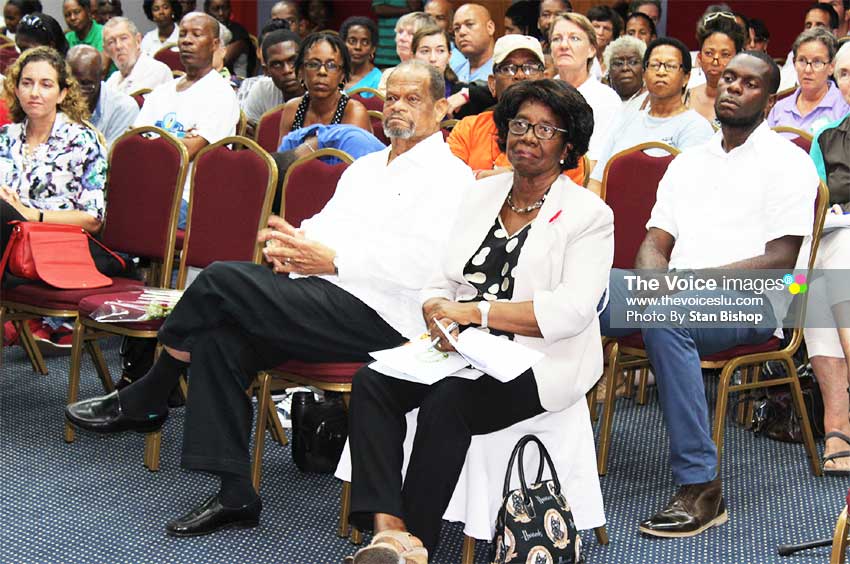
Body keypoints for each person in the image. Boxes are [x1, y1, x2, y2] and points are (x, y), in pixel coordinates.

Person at [65, 60, 474, 539]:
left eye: (413, 99)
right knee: (219, 338)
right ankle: (235, 491)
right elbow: (323, 230)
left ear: (441, 108)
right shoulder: (364, 169)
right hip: (326, 299)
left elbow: (428, 267)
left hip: (389, 319)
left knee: (220, 280)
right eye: (392, 97)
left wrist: (333, 260)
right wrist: (293, 243)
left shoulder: (452, 178)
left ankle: (154, 389)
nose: (398, 108)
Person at [346, 77, 610, 560]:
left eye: (545, 130)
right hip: (463, 346)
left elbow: (570, 312)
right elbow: (439, 281)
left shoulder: (588, 215)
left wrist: (473, 312)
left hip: (540, 359)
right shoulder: (480, 195)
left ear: (568, 145)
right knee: (372, 382)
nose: (528, 137)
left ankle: (417, 544)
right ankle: (390, 529)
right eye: (520, 124)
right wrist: (435, 315)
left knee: (449, 402)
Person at [599, 51, 818, 538]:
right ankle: (526, 437)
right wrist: (654, 281)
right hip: (673, 293)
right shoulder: (688, 163)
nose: (734, 88)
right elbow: (656, 241)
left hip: (754, 300)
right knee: (576, 296)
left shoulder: (789, 163)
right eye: (729, 79)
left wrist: (682, 286)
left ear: (769, 99)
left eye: (751, 83)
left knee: (665, 317)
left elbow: (781, 261)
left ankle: (702, 488)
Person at [132, 11, 239, 228]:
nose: (187, 40)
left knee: (133, 212)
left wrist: (158, 141)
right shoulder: (161, 92)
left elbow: (185, 153)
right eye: (182, 34)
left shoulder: (221, 94)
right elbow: (134, 145)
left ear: (215, 44)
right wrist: (178, 138)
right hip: (149, 188)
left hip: (190, 198)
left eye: (196, 34)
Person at [447, 34, 584, 186]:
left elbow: (567, 196)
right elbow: (446, 182)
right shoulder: (469, 128)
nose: (520, 75)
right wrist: (489, 177)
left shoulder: (561, 134)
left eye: (530, 68)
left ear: (546, 80)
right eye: (508, 68)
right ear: (492, 84)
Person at [587, 38, 714, 196]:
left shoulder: (696, 127)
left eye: (670, 66)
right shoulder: (626, 120)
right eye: (654, 65)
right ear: (645, 74)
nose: (661, 72)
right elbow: (597, 180)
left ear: (686, 77)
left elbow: (689, 190)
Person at [806, 41, 850, 475]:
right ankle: (838, 419)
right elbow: (816, 203)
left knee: (835, 258)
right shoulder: (827, 136)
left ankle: (838, 423)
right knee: (820, 267)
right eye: (847, 74)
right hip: (839, 250)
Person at [550, 12, 620, 169]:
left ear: (591, 50)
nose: (563, 45)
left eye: (574, 38)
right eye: (556, 39)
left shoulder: (606, 99)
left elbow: (597, 163)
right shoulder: (539, 94)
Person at [278, 32, 371, 140]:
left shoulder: (354, 112)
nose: (322, 71)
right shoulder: (292, 109)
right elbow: (283, 155)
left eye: (331, 65)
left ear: (342, 75)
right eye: (313, 64)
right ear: (301, 72)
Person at [768, 28, 849, 136]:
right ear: (794, 63)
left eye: (817, 62)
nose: (807, 70)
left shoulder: (844, 106)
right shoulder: (779, 108)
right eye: (802, 60)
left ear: (831, 67)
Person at [67, 44, 137, 147]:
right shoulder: (56, 98)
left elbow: (109, 158)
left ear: (101, 76)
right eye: (71, 84)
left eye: (86, 84)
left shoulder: (124, 108)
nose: (77, 91)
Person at [686, 10, 744, 125]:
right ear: (699, 57)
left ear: (738, 58)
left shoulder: (745, 101)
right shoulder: (684, 98)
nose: (715, 60)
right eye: (709, 53)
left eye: (725, 54)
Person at [240, 30, 302, 129]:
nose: (287, 70)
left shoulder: (322, 91)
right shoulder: (261, 90)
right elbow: (251, 138)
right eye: (277, 64)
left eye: (293, 60)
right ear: (266, 70)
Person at [103, 17, 173, 95]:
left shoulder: (157, 71)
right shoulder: (112, 81)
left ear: (138, 41)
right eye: (111, 42)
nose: (118, 46)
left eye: (123, 38)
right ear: (106, 51)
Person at [781, 3, 841, 91]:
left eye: (819, 25)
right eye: (808, 25)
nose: (812, 30)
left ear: (834, 33)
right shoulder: (794, 55)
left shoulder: (843, 59)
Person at [412, 25, 469, 116]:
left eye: (440, 51)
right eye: (425, 51)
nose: (433, 58)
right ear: (413, 56)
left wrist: (467, 94)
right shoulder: (401, 90)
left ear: (449, 56)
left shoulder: (459, 92)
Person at [376, 11, 434, 96]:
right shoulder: (388, 74)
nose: (402, 38)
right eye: (400, 32)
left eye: (411, 34)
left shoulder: (431, 76)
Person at [204, 0, 253, 78]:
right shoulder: (206, 30)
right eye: (216, 9)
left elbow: (221, 61)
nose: (221, 13)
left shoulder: (239, 31)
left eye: (225, 8)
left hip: (235, 81)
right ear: (206, 11)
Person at [449, 3, 495, 84]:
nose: (461, 32)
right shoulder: (454, 73)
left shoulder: (504, 72)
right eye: (457, 28)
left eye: (469, 24)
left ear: (490, 28)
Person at [373, 0, 423, 68]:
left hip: (414, 57)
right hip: (384, 54)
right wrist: (409, 11)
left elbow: (414, 7)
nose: (402, 37)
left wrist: (411, 11)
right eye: (400, 31)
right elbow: (379, 9)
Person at [604, 35, 648, 111]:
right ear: (609, 71)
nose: (625, 68)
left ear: (643, 69)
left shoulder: (652, 102)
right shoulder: (601, 100)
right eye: (618, 63)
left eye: (633, 62)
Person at [341, 16, 381, 94]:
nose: (358, 47)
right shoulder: (334, 73)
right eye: (352, 41)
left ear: (373, 48)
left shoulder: (379, 81)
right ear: (343, 44)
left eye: (365, 42)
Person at [587, 4, 623, 79]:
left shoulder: (617, 61)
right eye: (596, 26)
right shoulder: (580, 57)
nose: (600, 32)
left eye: (606, 28)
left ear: (614, 34)